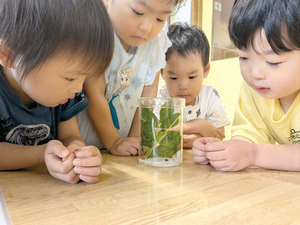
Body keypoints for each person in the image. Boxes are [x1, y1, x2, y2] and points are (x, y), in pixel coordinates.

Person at [0, 0, 114, 183]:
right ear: (8, 55)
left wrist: (77, 154)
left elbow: (71, 136)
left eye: (84, 78)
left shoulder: (64, 94)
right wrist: (41, 153)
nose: (78, 88)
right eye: (70, 78)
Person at [193, 0, 300, 171]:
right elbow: (249, 137)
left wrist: (255, 154)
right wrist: (222, 151)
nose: (255, 73)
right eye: (243, 57)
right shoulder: (254, 90)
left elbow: (254, 151)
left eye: (273, 62)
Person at [77, 0, 185, 156]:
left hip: (122, 149)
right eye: (138, 12)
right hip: (85, 148)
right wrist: (114, 141)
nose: (147, 27)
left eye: (160, 19)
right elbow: (94, 94)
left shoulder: (156, 42)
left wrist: (135, 139)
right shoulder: (95, 29)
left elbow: (148, 96)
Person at [158, 23, 230, 148]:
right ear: (162, 73)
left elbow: (219, 136)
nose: (183, 86)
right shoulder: (160, 98)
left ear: (205, 70)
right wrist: (199, 126)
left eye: (191, 77)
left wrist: (193, 138)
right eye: (174, 78)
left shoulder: (210, 97)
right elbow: (157, 134)